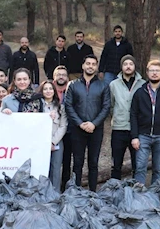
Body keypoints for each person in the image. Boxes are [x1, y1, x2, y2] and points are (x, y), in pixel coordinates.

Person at [64, 55, 110, 191]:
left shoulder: (103, 85)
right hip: (77, 129)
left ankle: (92, 193)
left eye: (93, 64)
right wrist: (80, 123)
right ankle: (76, 191)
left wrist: (93, 124)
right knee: (77, 163)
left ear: (96, 67)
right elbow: (68, 106)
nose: (90, 66)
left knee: (93, 163)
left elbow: (106, 107)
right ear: (83, 65)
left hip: (96, 129)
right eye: (88, 63)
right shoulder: (73, 85)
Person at [130, 60, 160, 185]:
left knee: (158, 169)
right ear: (147, 73)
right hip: (143, 135)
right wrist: (134, 136)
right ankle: (139, 195)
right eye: (152, 70)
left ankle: (155, 195)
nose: (154, 73)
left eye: (157, 71)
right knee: (140, 168)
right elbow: (133, 115)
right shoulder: (140, 92)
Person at [109, 55, 145, 180]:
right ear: (121, 67)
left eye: (131, 64)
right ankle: (115, 189)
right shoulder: (113, 84)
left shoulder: (143, 84)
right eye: (125, 64)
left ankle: (135, 190)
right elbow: (111, 105)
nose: (128, 66)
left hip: (137, 130)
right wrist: (117, 116)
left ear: (135, 66)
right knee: (116, 164)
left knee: (137, 163)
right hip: (119, 128)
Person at [40, 80, 68, 190]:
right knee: (43, 168)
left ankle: (55, 193)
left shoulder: (60, 107)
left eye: (50, 89)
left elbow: (63, 126)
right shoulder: (37, 106)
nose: (48, 91)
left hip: (56, 142)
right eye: (45, 89)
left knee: (56, 168)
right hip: (41, 142)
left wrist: (53, 142)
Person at [52, 65, 74, 189]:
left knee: (66, 160)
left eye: (63, 74)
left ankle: (64, 186)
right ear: (54, 77)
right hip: (53, 132)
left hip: (69, 130)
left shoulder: (72, 90)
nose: (61, 76)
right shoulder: (49, 89)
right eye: (58, 74)